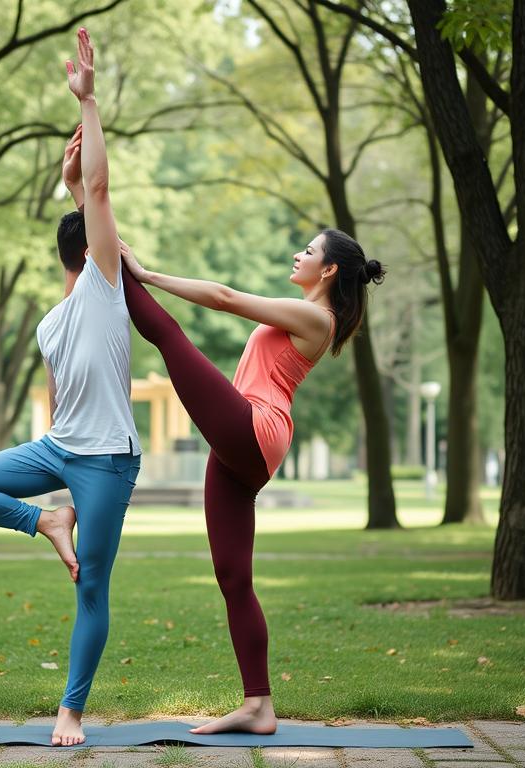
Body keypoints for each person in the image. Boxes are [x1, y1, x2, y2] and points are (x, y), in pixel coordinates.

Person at [0, 85, 142, 744]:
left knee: (91, 589)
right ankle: (45, 523)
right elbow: (58, 398)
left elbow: (100, 196)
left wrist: (88, 108)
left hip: (107, 461)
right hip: (57, 449)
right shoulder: (58, 319)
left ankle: (71, 710)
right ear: (87, 252)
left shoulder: (109, 290)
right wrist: (51, 503)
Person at [117, 230, 385, 734]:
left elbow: (225, 298)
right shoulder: (308, 313)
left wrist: (145, 273)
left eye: (308, 251)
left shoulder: (314, 316)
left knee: (171, 338)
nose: (297, 254)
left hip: (256, 428)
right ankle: (258, 705)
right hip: (241, 445)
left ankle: (110, 266)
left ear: (328, 270)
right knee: (233, 578)